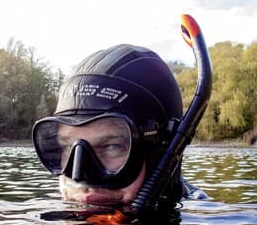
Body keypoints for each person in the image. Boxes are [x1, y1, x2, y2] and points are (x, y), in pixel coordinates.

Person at [32, 44, 206, 209]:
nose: (80, 177)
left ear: (165, 149)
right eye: (68, 146)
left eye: (112, 146)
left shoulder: (210, 224)